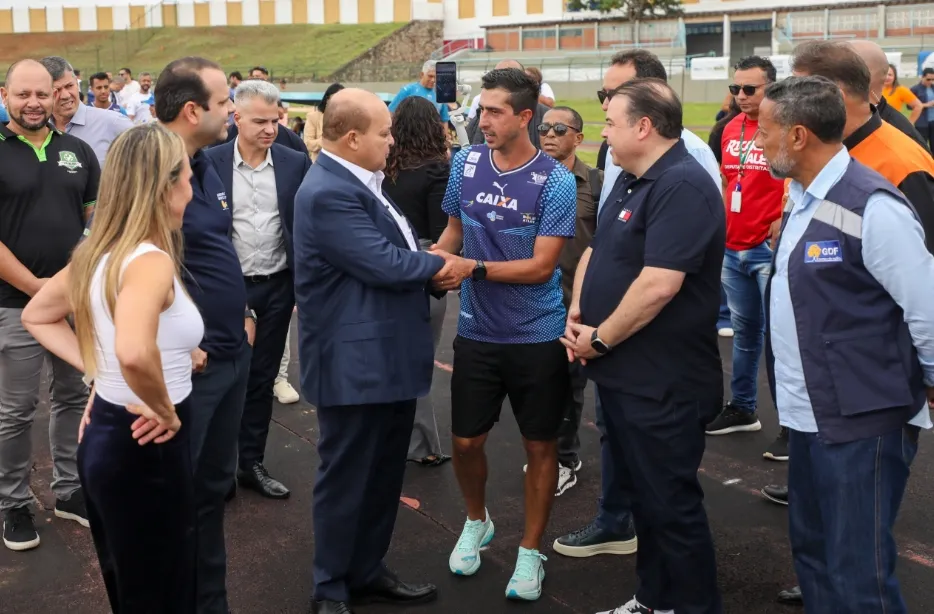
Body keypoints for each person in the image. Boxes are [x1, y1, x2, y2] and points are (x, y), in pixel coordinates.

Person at [757, 74, 934, 614]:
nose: (756, 141)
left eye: (765, 131)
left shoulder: (875, 206)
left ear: (798, 136)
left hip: (864, 418)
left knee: (858, 570)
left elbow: (926, 307)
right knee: (813, 553)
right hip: (808, 415)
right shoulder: (801, 196)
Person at [21, 123, 202, 613]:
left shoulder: (99, 252)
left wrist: (101, 378)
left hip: (112, 429)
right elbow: (134, 352)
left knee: (135, 583)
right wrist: (165, 409)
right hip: (147, 438)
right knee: (161, 588)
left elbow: (37, 313)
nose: (193, 188)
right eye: (188, 177)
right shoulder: (149, 261)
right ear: (165, 187)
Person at [562, 77, 724, 614]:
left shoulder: (682, 185)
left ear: (643, 126)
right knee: (648, 505)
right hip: (626, 374)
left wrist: (600, 340)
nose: (601, 132)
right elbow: (597, 252)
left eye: (609, 122)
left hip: (664, 381)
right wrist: (580, 311)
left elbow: (661, 283)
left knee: (672, 506)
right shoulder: (633, 178)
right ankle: (654, 600)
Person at [294, 88, 448, 614]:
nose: (393, 140)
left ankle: (366, 570)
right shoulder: (329, 191)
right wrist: (446, 266)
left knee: (383, 476)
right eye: (384, 132)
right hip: (355, 365)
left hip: (385, 359)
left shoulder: (365, 181)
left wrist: (427, 261)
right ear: (353, 137)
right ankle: (330, 588)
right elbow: (385, 262)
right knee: (346, 479)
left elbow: (398, 252)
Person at [432, 68, 576, 602]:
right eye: (480, 110)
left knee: (541, 446)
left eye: (494, 111)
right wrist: (425, 261)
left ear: (524, 116)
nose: (482, 119)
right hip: (476, 331)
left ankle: (531, 550)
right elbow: (452, 231)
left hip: (536, 334)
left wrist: (472, 269)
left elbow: (542, 267)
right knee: (466, 440)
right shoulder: (465, 163)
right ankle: (478, 521)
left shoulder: (555, 181)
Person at [153, 56, 248, 614]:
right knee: (176, 501)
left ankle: (210, 603)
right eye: (224, 101)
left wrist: (244, 310)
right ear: (193, 110)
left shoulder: (204, 163)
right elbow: (121, 263)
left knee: (211, 495)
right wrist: (176, 339)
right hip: (192, 366)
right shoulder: (150, 167)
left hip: (229, 353)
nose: (232, 109)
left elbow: (212, 247)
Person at [0, 59, 99, 553]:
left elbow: (94, 219)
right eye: (24, 95)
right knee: (16, 411)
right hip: (13, 306)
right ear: (6, 96)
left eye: (45, 93)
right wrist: (41, 289)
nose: (35, 102)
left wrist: (70, 279)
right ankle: (13, 502)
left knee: (72, 397)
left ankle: (68, 489)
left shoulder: (77, 151)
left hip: (73, 302)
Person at [205, 79, 311, 500]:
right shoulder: (209, 162)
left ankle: (250, 462)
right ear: (237, 118)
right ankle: (217, 467)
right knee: (221, 377)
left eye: (276, 119)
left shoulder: (293, 162)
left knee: (262, 377)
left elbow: (304, 226)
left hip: (278, 286)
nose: (270, 128)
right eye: (261, 121)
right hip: (225, 290)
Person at [705, 57, 786, 461]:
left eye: (750, 89)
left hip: (767, 248)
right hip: (733, 246)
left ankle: (791, 425)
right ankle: (743, 407)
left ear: (770, 88)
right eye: (736, 88)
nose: (740, 96)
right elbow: (724, 180)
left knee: (781, 340)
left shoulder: (784, 127)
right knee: (745, 332)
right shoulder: (727, 128)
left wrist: (782, 216)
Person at [382, 95, 453, 467]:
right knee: (420, 360)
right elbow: (443, 234)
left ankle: (395, 437)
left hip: (386, 264)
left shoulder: (383, 169)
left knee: (391, 357)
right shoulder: (436, 171)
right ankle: (421, 444)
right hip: (424, 262)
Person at [536, 105, 601, 496]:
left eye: (559, 128)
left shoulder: (596, 182)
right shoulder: (527, 180)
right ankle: (551, 454)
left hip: (575, 301)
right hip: (532, 299)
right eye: (543, 127)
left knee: (570, 385)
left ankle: (564, 459)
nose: (548, 134)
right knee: (540, 384)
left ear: (578, 137)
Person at [42, 57, 131, 166]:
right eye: (56, 90)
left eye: (69, 86)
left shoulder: (113, 122)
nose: (65, 95)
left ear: (77, 84)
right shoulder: (37, 130)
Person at [848, 41, 929, 152]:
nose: (887, 78)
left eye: (890, 75)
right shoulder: (876, 94)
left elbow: (917, 106)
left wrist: (910, 122)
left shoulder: (901, 90)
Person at [466, 59, 550, 149]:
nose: (483, 123)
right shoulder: (476, 122)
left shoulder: (546, 119)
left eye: (495, 112)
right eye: (496, 77)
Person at [304, 82, 344, 163]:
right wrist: (327, 141)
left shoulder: (349, 118)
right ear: (327, 99)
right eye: (335, 98)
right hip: (321, 164)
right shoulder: (313, 117)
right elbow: (308, 144)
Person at [911, 68, 934, 149]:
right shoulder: (915, 89)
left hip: (933, 122)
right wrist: (926, 105)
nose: (931, 81)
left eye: (933, 79)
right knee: (922, 147)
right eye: (928, 79)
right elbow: (909, 106)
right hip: (921, 123)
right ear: (922, 77)